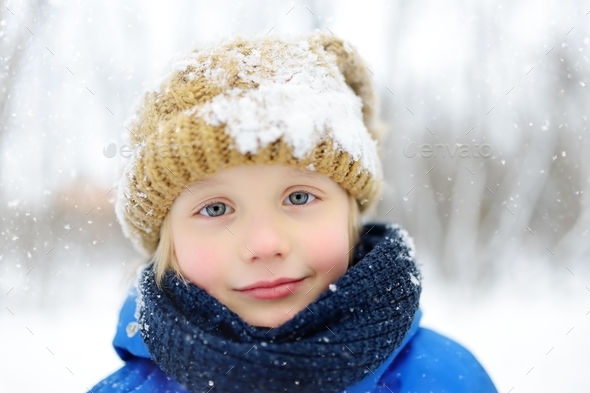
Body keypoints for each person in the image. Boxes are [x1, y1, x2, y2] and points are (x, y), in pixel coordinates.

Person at [90, 31, 497, 393]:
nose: (265, 245)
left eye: (299, 198)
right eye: (215, 208)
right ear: (167, 241)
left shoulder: (446, 378)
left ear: (350, 216)